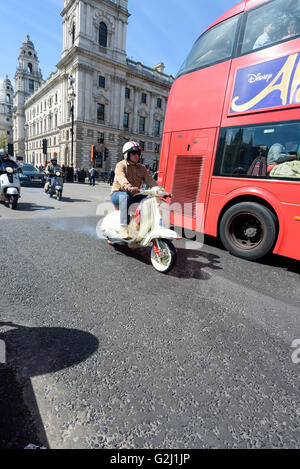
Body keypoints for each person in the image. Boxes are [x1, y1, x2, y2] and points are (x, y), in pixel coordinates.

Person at [111, 141, 157, 239]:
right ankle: (123, 228)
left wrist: (159, 190)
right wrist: (128, 187)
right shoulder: (121, 165)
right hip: (118, 194)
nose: (137, 155)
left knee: (150, 199)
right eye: (134, 153)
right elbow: (121, 177)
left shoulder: (142, 168)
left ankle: (141, 225)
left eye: (138, 153)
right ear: (127, 154)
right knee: (125, 197)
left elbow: (150, 180)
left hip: (134, 195)